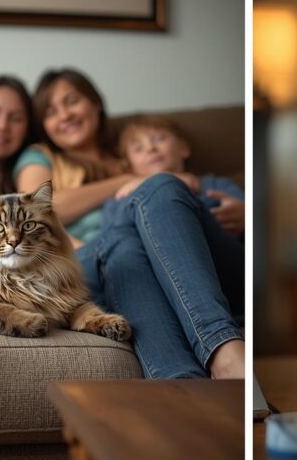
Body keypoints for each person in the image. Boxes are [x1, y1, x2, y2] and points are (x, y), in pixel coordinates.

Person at [13, 68, 244, 379]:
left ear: (96, 104)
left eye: (72, 101)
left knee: (146, 215)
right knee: (125, 242)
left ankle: (185, 380)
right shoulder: (42, 156)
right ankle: (208, 359)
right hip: (84, 258)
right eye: (51, 112)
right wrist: (131, 180)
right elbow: (36, 209)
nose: (64, 115)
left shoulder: (131, 153)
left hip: (151, 255)